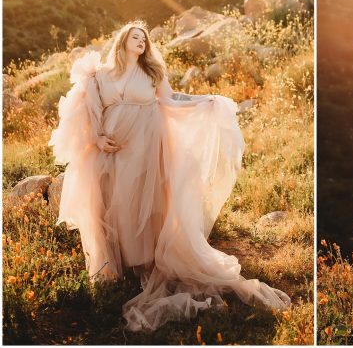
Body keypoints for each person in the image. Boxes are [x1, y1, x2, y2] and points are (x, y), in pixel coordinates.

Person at [49, 22, 290, 332]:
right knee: (114, 202)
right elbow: (89, 112)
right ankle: (118, 266)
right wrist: (96, 138)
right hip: (113, 150)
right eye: (135, 37)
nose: (140, 41)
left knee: (141, 202)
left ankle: (144, 261)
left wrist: (204, 101)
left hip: (146, 145)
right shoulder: (99, 76)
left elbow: (171, 99)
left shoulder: (152, 73)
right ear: (122, 41)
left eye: (143, 38)